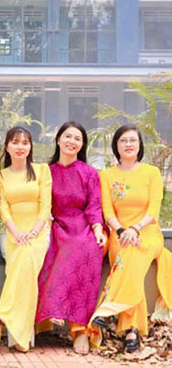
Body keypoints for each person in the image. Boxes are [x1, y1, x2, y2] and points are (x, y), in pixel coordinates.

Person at [88, 124, 172, 352]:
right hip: (120, 235)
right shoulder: (106, 175)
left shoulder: (151, 173)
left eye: (132, 140)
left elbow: (153, 210)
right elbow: (108, 211)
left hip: (147, 233)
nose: (128, 144)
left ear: (139, 145)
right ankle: (131, 330)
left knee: (131, 254)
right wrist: (121, 231)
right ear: (116, 146)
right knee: (129, 260)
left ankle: (108, 308)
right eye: (123, 140)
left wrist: (135, 229)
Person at [35, 122, 106, 355]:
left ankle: (80, 329)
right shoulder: (46, 172)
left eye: (77, 138)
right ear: (58, 140)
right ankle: (50, 314)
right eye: (67, 136)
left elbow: (94, 205)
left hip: (85, 227)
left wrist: (97, 229)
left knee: (83, 249)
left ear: (82, 145)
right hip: (57, 226)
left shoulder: (89, 172)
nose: (72, 142)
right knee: (52, 253)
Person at [0, 126, 52, 352]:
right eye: (15, 142)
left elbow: (45, 206)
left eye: (25, 142)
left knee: (26, 256)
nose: (20, 147)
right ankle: (20, 336)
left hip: (38, 231)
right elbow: (3, 208)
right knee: (22, 264)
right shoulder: (0, 176)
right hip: (13, 232)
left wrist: (34, 232)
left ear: (30, 147)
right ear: (7, 147)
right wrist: (16, 232)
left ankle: (6, 314)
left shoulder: (42, 170)